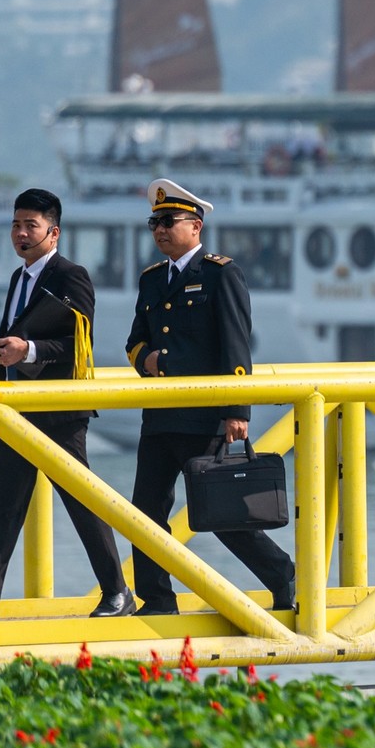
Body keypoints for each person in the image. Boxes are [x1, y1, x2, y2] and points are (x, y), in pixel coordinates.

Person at [0, 189, 134, 623]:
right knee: (3, 505)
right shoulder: (18, 279)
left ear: (53, 232)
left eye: (30, 226)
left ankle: (117, 593)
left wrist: (30, 349)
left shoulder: (71, 275)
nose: (20, 233)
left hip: (58, 413)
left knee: (80, 501)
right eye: (16, 225)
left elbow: (80, 344)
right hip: (14, 410)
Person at [125, 179, 295, 616]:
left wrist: (237, 411)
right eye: (153, 223)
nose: (159, 230)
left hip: (204, 417)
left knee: (219, 513)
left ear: (195, 226)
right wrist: (149, 362)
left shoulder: (221, 274)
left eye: (168, 221)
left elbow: (237, 346)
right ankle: (158, 599)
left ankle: (282, 574)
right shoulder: (150, 280)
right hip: (160, 417)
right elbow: (135, 341)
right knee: (145, 512)